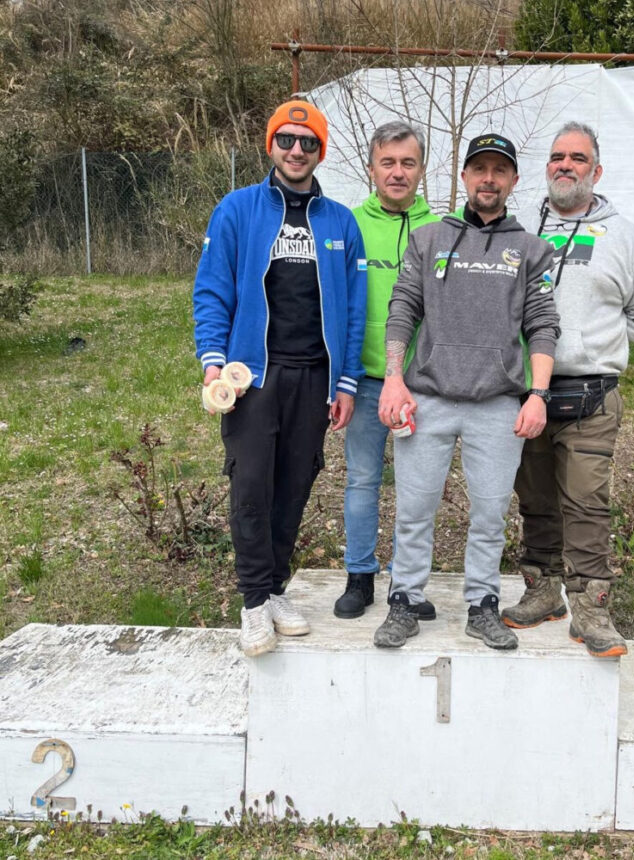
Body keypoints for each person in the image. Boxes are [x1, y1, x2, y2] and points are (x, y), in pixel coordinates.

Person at [193, 100, 367, 657]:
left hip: (314, 376)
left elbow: (356, 308)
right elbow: (213, 289)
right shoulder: (238, 209)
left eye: (307, 142)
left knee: (294, 484)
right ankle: (252, 603)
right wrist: (213, 358)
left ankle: (274, 589)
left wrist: (346, 383)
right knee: (250, 485)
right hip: (253, 376)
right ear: (270, 145)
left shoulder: (340, 221)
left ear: (321, 151)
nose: (296, 150)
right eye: (287, 140)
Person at [373, 134, 560, 651]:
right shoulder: (428, 239)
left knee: (489, 513)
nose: (489, 179)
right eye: (479, 169)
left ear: (513, 181)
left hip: (499, 405)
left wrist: (537, 395)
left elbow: (544, 325)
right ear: (464, 178)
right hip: (427, 399)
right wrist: (394, 377)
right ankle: (405, 601)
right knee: (413, 509)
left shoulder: (531, 249)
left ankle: (482, 605)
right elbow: (403, 309)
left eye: (500, 170)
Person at [501, 121, 634, 658]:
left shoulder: (623, 236)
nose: (564, 165)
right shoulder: (520, 226)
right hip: (528, 392)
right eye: (556, 157)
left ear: (596, 171)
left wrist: (599, 343)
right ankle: (542, 590)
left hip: (592, 393)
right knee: (537, 499)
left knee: (587, 503)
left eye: (577, 158)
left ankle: (591, 607)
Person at [334, 121, 440, 620]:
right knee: (362, 481)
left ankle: (406, 582)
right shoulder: (350, 224)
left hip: (422, 383)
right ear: (372, 167)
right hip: (365, 380)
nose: (398, 173)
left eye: (408, 163)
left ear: (422, 169)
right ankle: (360, 577)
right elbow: (336, 306)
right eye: (388, 162)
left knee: (416, 488)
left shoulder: (443, 230)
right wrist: (342, 375)